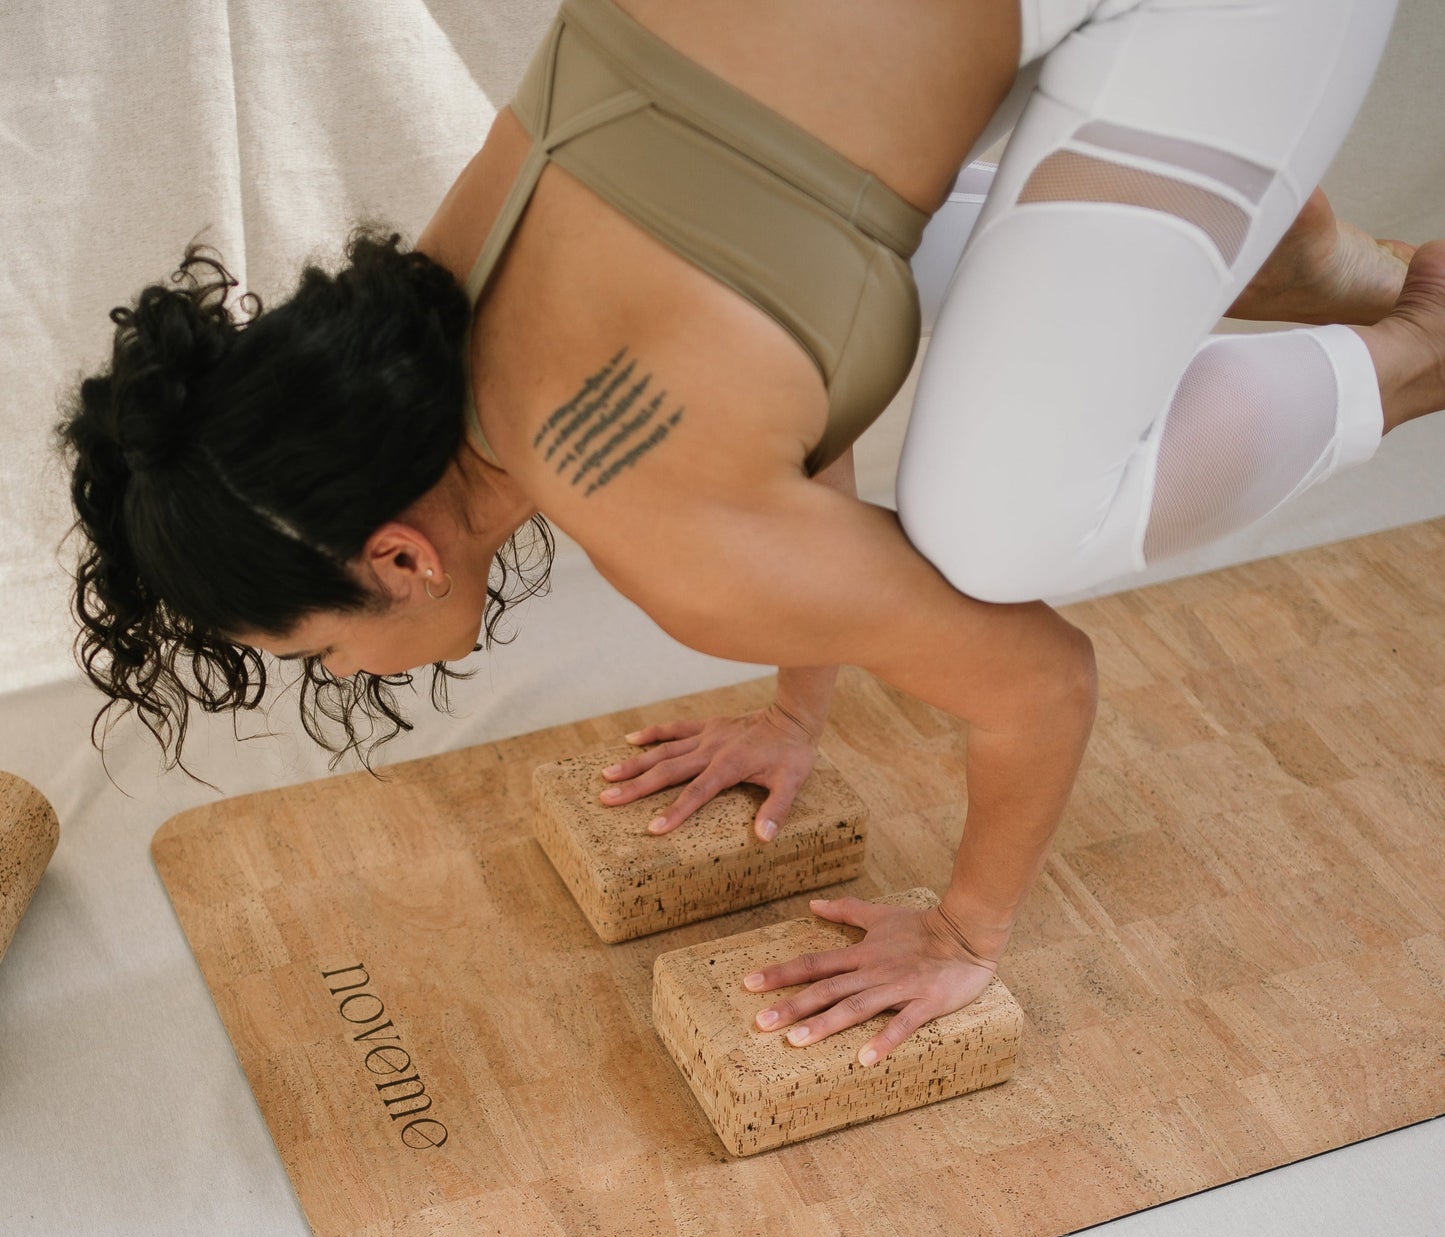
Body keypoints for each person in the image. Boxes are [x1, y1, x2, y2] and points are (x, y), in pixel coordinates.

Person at [61, 0, 1444, 1068]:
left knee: (1006, 531)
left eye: (319, 649)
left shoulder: (671, 535)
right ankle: (1292, 247)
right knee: (901, 288)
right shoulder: (436, 295)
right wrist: (798, 700)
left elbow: (1039, 678)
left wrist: (961, 930)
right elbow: (758, 379)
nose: (352, 679)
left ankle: (1419, 347)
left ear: (398, 557)